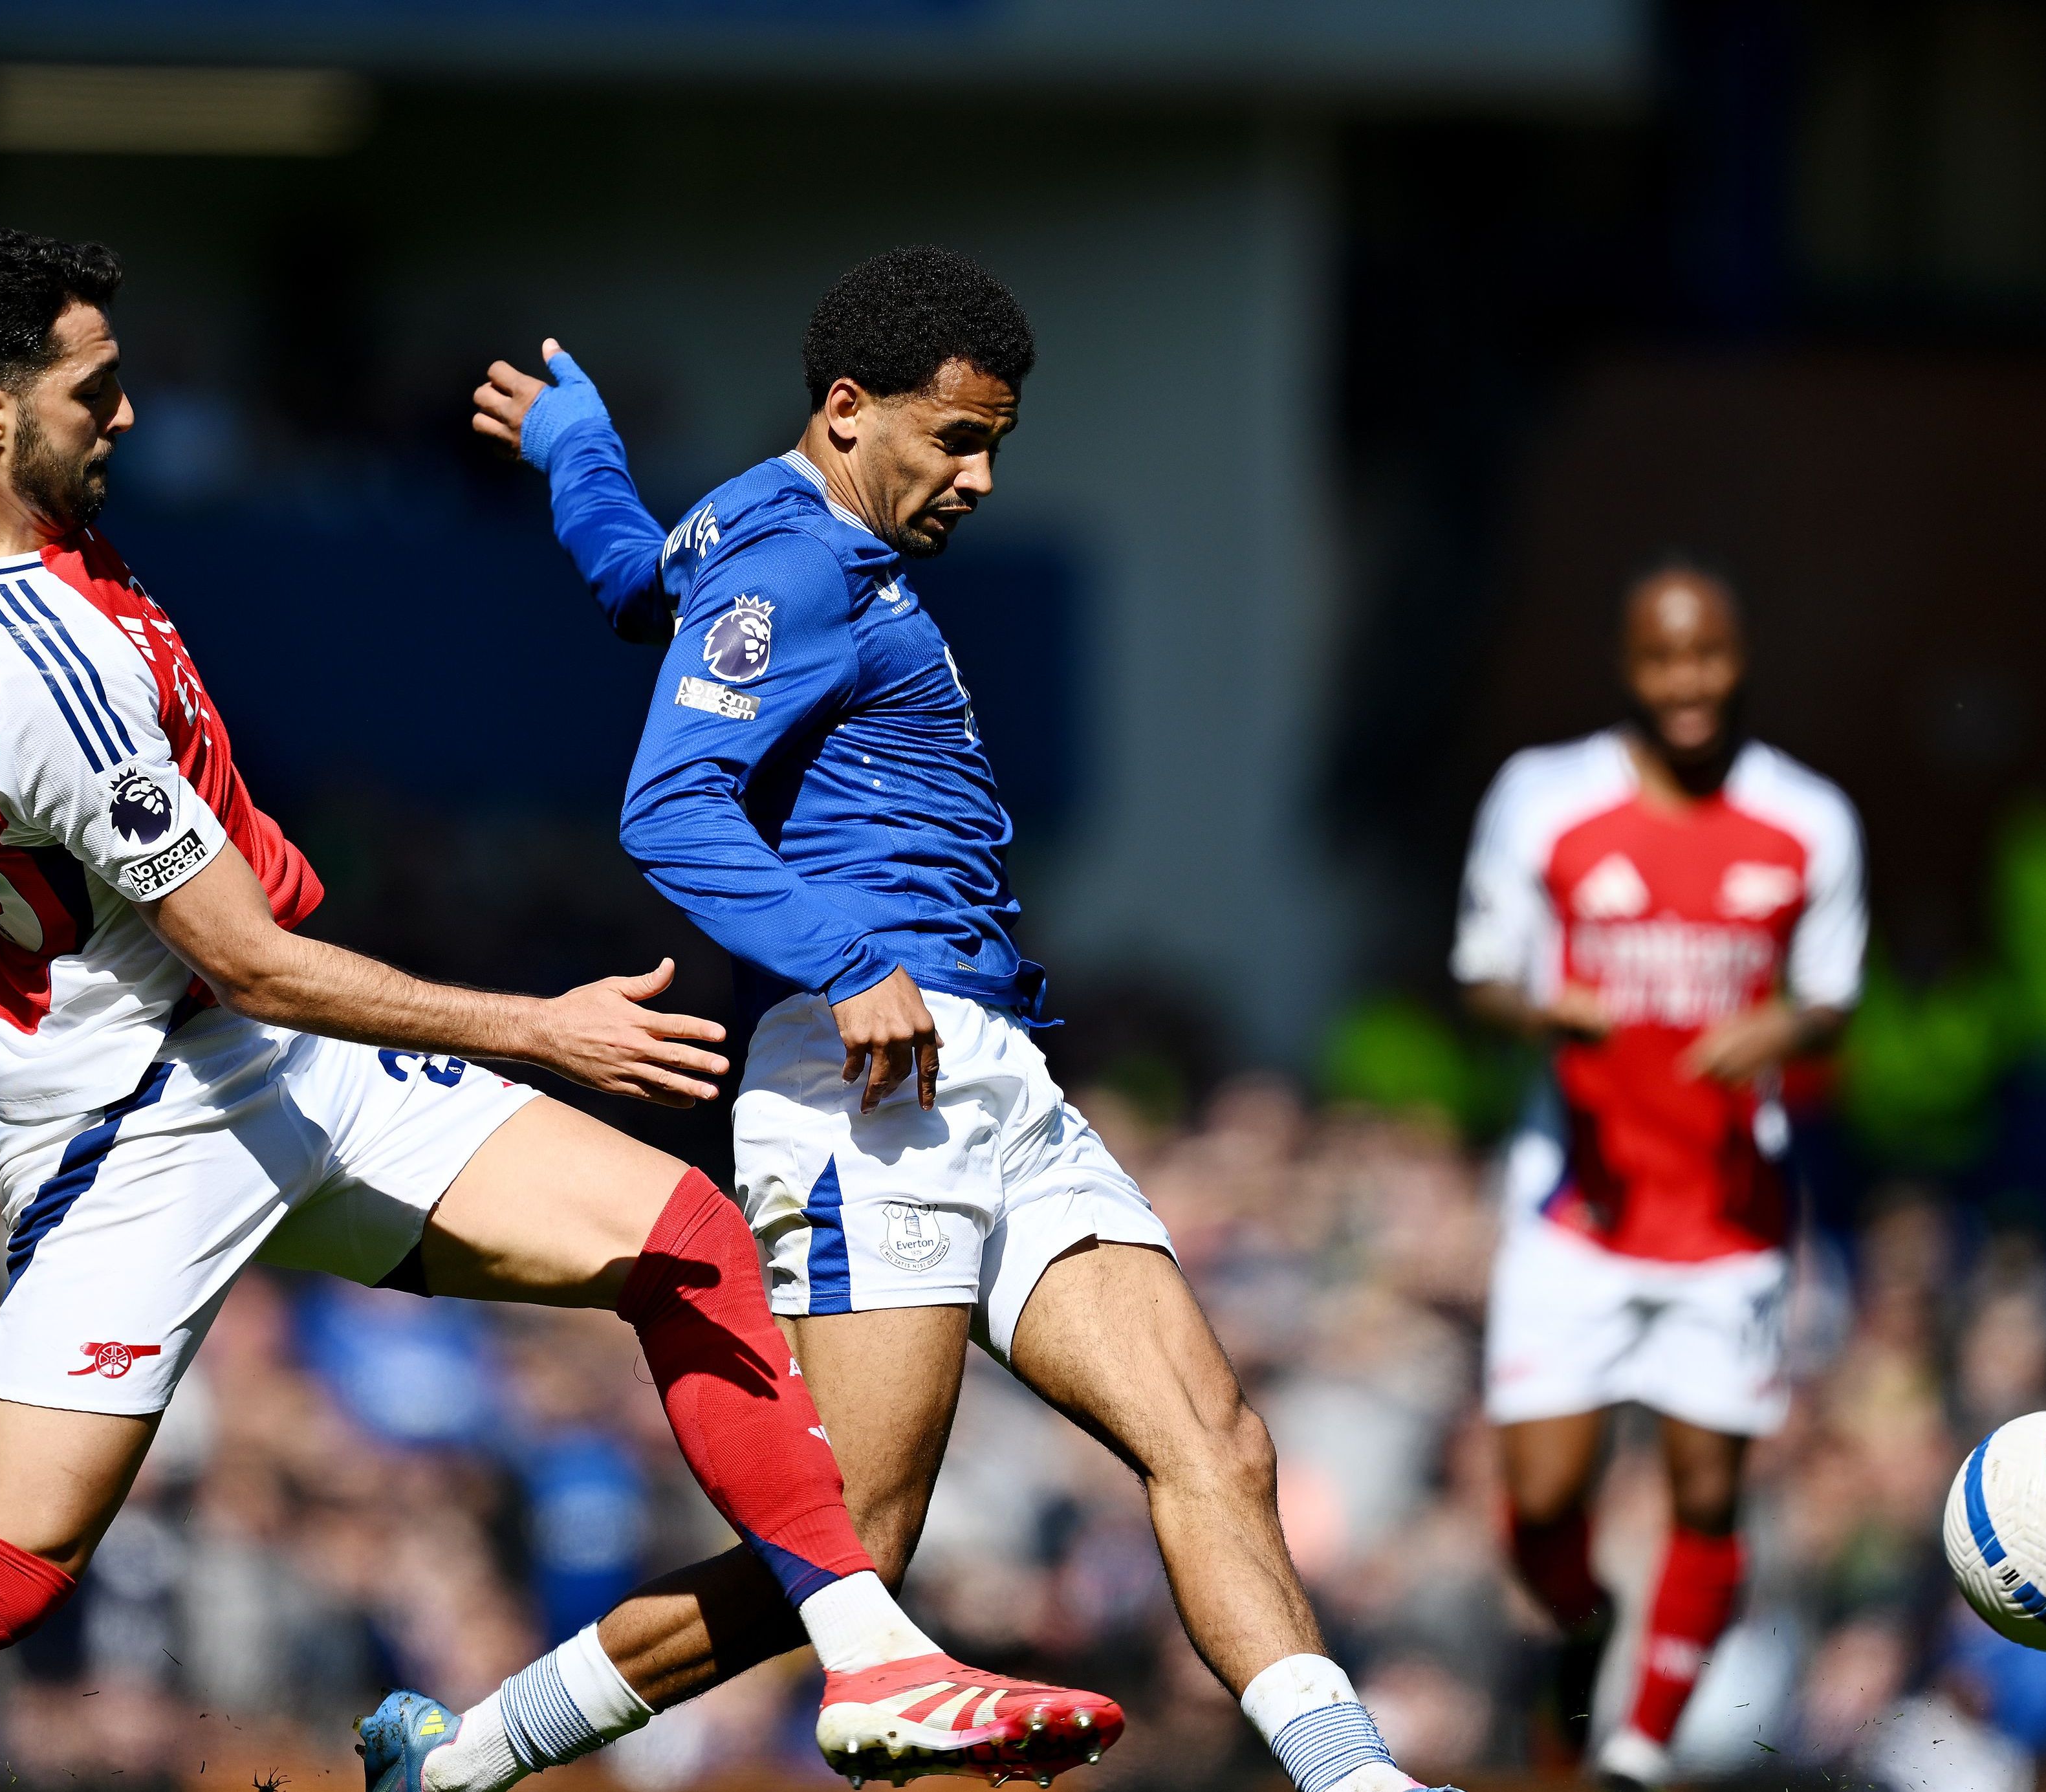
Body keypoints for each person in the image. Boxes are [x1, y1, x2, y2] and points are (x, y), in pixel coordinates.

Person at [0, 227, 1118, 1792]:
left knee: (681, 1242)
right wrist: (544, 1027)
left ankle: (876, 1670)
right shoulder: (55, 676)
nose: (129, 419)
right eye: (98, 392)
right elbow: (251, 957)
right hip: (141, 1104)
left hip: (278, 1050)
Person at [413, 246, 1453, 1792]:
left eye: (995, 447)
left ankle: (1358, 1782)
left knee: (1217, 1440)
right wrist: (841, 955)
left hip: (990, 1074)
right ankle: (462, 1754)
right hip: (863, 1079)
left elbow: (642, 579)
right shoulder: (796, 563)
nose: (975, 476)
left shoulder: (762, 529)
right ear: (846, 410)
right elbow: (669, 801)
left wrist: (578, 455)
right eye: (953, 438)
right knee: (852, 1550)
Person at [1450, 563, 1864, 1788]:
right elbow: (1479, 976)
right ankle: (1587, 1626)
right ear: (1628, 665)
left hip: (1729, 1214)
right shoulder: (1541, 798)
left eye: (1710, 657)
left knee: (1705, 1490)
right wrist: (1543, 1006)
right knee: (1538, 1510)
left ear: (1741, 658)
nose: (1688, 684)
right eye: (1663, 659)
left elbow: (1836, 1000)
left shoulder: (1811, 818)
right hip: (1576, 1207)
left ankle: (1635, 1750)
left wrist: (1781, 1030)